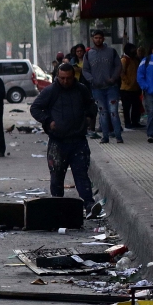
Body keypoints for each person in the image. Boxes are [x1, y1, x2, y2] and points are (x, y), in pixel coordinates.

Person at [30, 63, 98, 215]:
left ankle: (89, 204)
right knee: (57, 175)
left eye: (68, 78)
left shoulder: (81, 90)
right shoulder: (50, 91)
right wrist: (48, 121)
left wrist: (88, 117)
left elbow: (91, 105)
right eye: (62, 78)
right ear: (57, 77)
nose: (65, 81)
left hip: (78, 140)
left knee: (81, 174)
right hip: (58, 142)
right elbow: (35, 108)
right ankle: (57, 205)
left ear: (73, 76)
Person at [82, 30, 123, 144]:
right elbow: (85, 70)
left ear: (103, 39)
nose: (98, 39)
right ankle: (105, 136)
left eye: (100, 37)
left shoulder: (111, 52)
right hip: (97, 89)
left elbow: (118, 66)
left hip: (111, 87)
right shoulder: (88, 54)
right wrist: (92, 80)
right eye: (96, 37)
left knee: (113, 112)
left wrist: (113, 78)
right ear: (93, 39)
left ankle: (118, 135)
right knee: (103, 113)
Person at [120, 43, 141, 129]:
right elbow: (121, 72)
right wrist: (127, 81)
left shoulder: (135, 60)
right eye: (133, 50)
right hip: (126, 88)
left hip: (136, 87)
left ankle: (135, 121)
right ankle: (127, 122)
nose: (135, 51)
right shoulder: (124, 60)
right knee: (126, 107)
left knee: (136, 106)